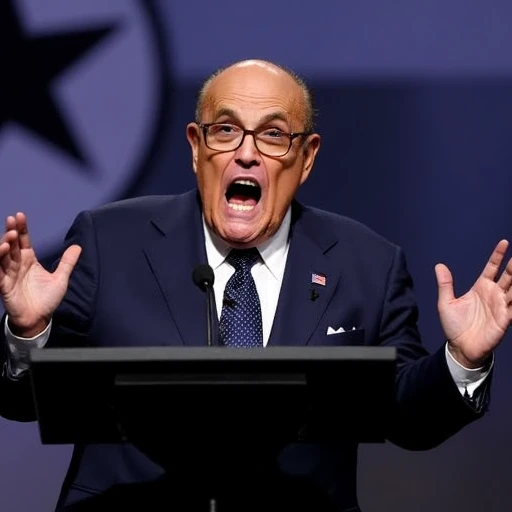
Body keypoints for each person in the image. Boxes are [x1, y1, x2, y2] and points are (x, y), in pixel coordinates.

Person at [0, 58, 510, 512]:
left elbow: (406, 418)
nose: (246, 154)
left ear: (306, 158)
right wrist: (29, 334)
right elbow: (26, 403)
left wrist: (461, 361)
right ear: (197, 148)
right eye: (225, 130)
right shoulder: (107, 241)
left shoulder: (367, 263)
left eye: (272, 134)